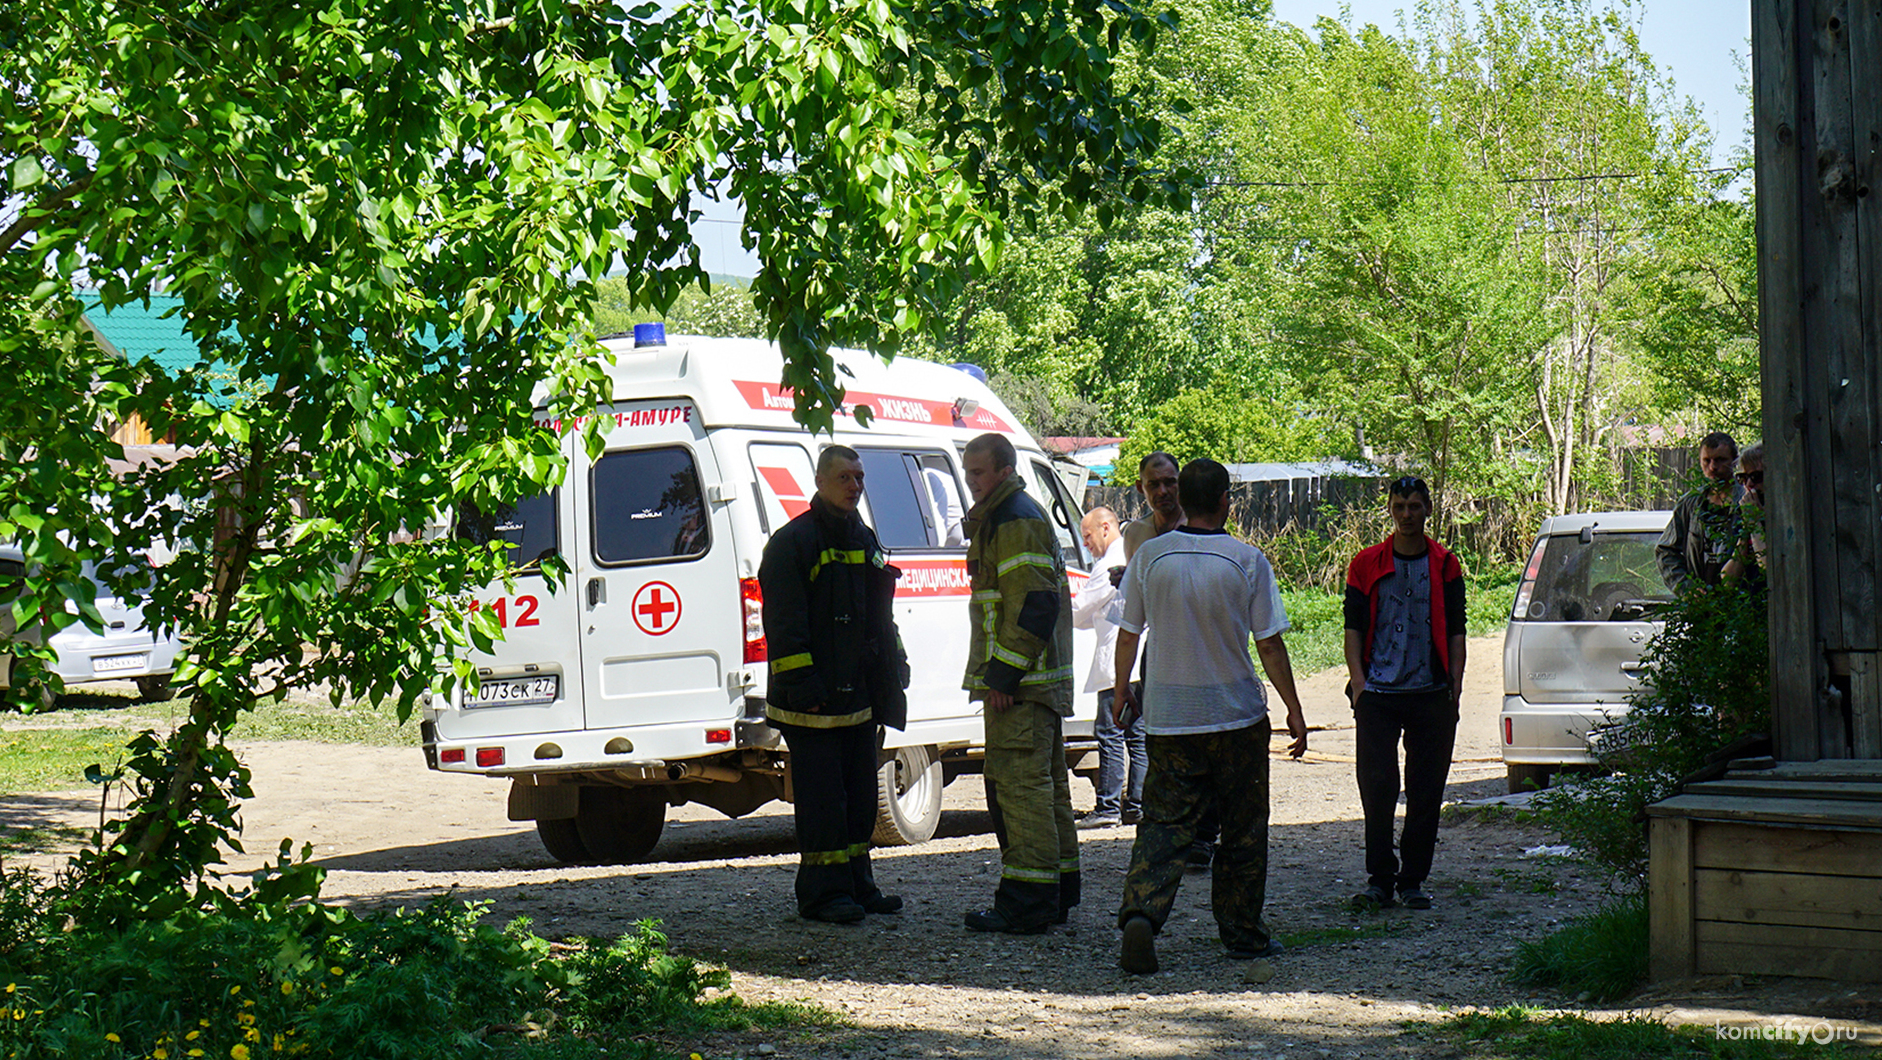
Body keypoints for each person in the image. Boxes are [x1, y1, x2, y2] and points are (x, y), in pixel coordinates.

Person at [1113, 459, 1309, 975]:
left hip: (1170, 718)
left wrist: (1119, 690)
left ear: (1183, 497)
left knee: (1163, 822)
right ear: (1225, 501)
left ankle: (1142, 914)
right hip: (1236, 718)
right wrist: (1293, 707)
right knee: (1243, 828)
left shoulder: (1150, 557)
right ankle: (1243, 934)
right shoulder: (1246, 561)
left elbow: (1128, 632)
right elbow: (1268, 643)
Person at [758, 445, 910, 924]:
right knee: (824, 802)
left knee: (860, 797)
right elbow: (784, 624)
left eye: (860, 477)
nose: (855, 486)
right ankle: (823, 895)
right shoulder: (792, 543)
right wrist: (803, 682)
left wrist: (893, 661)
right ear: (820, 481)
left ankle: (858, 886)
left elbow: (877, 611)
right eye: (845, 477)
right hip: (812, 703)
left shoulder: (860, 536)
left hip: (858, 697)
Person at [959, 431, 1080, 934]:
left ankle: (1026, 901)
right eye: (968, 474)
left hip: (1022, 687)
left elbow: (1034, 603)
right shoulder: (1011, 514)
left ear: (1005, 472)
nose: (971, 482)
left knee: (1020, 791)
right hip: (1036, 685)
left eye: (979, 473)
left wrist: (1004, 675)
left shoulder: (1013, 519)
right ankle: (1056, 891)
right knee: (1047, 790)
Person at [1343, 476, 1466, 912]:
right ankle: (1380, 879)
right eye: (1400, 506)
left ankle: (1412, 879)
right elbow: (1353, 627)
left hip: (1431, 691)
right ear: (1391, 511)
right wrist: (1359, 686)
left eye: (1415, 506)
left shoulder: (1446, 564)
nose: (1407, 514)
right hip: (1377, 691)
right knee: (1377, 787)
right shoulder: (1365, 563)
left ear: (1428, 510)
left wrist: (1455, 685)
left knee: (1426, 789)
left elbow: (1456, 628)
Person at [1117, 452, 1216, 869]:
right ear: (1141, 488)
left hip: (1205, 652)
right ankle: (1170, 828)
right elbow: (1135, 605)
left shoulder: (1200, 524)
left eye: (1170, 482)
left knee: (1208, 743)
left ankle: (1204, 836)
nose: (1163, 491)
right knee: (1162, 744)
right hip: (1158, 653)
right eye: (1153, 484)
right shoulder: (1137, 536)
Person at [1071, 506, 1145, 829]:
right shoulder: (1126, 555)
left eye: (1088, 535)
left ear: (1105, 528)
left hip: (1117, 662)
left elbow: (1080, 610)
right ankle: (1137, 804)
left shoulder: (1110, 564)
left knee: (1110, 733)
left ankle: (1108, 807)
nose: (1085, 543)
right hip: (1136, 661)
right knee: (1138, 735)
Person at [1656, 432, 1741, 595]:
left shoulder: (1747, 502)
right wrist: (1685, 588)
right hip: (1702, 606)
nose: (1713, 467)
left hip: (1740, 603)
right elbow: (1665, 550)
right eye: (1707, 461)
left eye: (1720, 460)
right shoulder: (1691, 504)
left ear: (1734, 461)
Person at [1723, 443, 1765, 585]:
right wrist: (1745, 533)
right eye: (1743, 478)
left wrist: (1755, 523)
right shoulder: (1743, 512)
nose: (1749, 484)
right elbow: (1728, 581)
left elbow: (1769, 568)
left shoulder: (1785, 515)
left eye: (1756, 477)